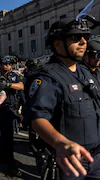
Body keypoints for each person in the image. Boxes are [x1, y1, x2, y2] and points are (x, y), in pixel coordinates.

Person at [25, 17, 100, 180]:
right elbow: (37, 118)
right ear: (58, 44)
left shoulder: (87, 73)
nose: (83, 42)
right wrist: (61, 143)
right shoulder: (48, 77)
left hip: (97, 159)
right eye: (75, 37)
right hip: (70, 161)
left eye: (85, 37)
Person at [0, 55, 24, 177]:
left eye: (9, 64)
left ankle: (10, 164)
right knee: (0, 135)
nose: (7, 66)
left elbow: (21, 86)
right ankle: (2, 156)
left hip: (9, 108)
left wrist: (8, 85)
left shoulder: (13, 75)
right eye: (5, 63)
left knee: (8, 136)